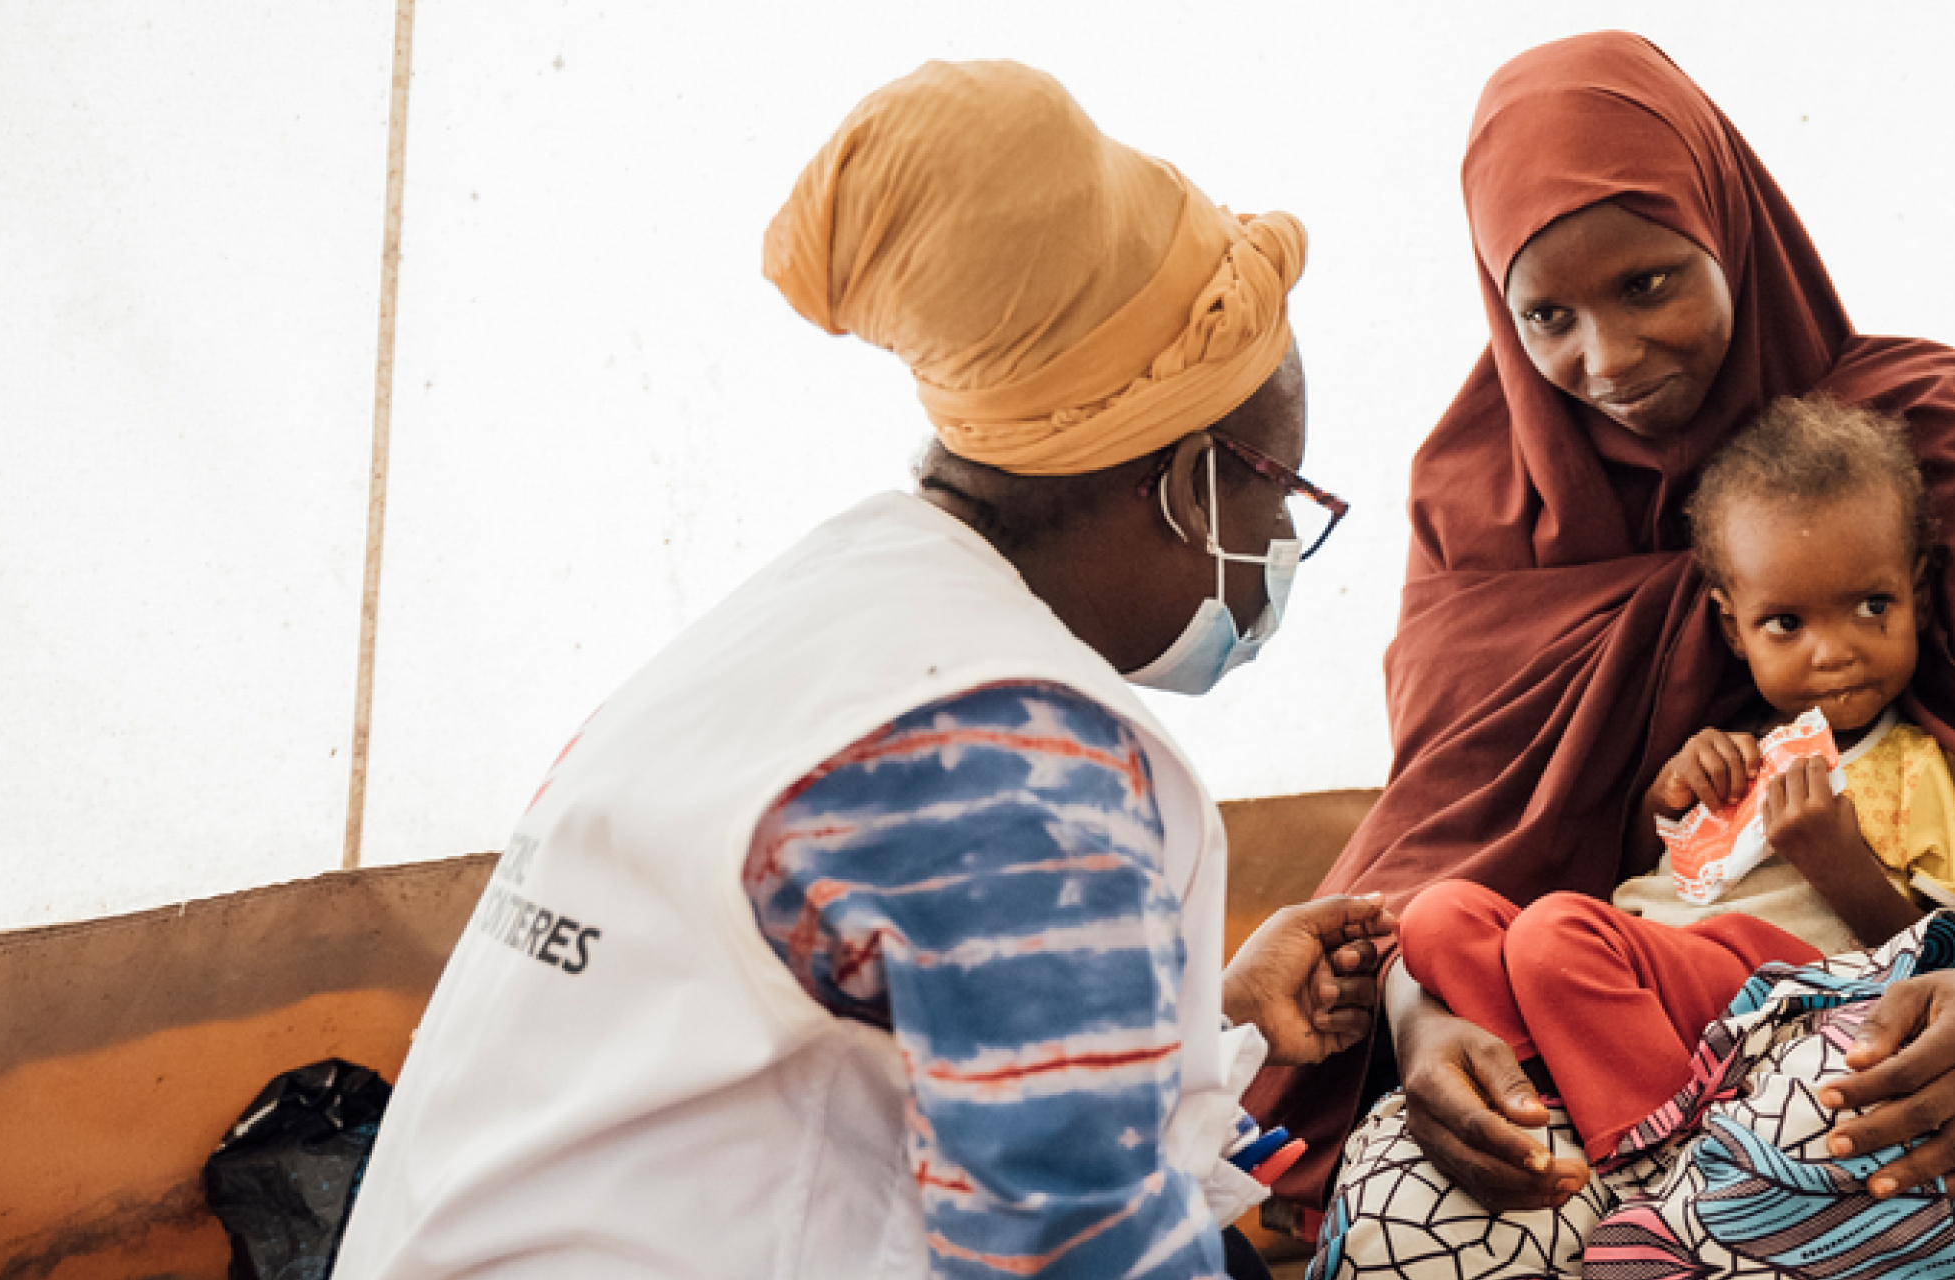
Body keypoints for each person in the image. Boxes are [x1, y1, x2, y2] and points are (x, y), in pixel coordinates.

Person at [335, 60, 1391, 1280]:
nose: (1274, 550)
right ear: (1190, 482)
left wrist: (1219, 1020)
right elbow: (1077, 1251)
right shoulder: (1015, 748)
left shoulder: (822, 615)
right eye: (1278, 494)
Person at [1244, 30, 1955, 1238]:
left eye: (1651, 283)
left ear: (1730, 228)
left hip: (1881, 999)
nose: (1605, 358)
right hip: (1553, 1013)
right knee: (1402, 1217)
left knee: (1858, 1146)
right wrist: (1423, 1023)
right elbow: (1448, 830)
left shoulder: (1934, 437)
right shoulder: (1480, 495)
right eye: (1546, 313)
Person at [1396, 391, 1955, 1168]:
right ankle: (1542, 1092)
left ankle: (1661, 1153)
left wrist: (1838, 863)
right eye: (1787, 623)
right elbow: (1656, 877)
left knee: (1553, 936)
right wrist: (1664, 798)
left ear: (1919, 593)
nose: (1832, 651)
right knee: (1438, 916)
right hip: (1634, 966)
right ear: (1732, 628)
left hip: (1778, 984)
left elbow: (1935, 957)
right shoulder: (1739, 751)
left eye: (1873, 605)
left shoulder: (1914, 765)